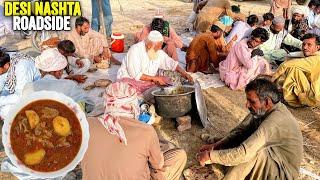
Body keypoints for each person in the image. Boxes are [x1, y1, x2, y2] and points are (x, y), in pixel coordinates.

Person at [197, 78, 303, 179]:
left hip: (283, 173)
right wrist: (216, 145)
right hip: (272, 157)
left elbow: (244, 153)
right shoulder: (263, 111)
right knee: (246, 136)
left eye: (252, 102)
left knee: (252, 153)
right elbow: (241, 131)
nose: (247, 105)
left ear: (267, 102)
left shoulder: (275, 120)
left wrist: (211, 156)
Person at [82, 82, 187, 180]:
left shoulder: (87, 125)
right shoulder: (146, 131)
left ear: (106, 103)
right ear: (133, 105)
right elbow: (158, 165)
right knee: (179, 156)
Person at [117, 31, 193, 94]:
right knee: (128, 92)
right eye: (157, 47)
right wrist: (155, 79)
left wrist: (185, 73)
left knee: (168, 84)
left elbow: (171, 63)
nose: (159, 49)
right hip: (130, 80)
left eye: (160, 47)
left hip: (148, 81)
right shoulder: (135, 50)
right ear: (149, 45)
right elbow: (135, 74)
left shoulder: (157, 51)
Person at [23, 48, 94, 113]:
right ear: (58, 71)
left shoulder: (28, 87)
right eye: (62, 70)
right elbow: (90, 104)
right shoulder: (69, 85)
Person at [272, 33, 320, 107]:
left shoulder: (315, 59)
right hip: (313, 95)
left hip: (314, 98)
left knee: (293, 68)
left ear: (317, 47)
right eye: (303, 44)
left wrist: (271, 80)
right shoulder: (316, 56)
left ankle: (292, 101)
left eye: (309, 45)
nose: (305, 47)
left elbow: (285, 65)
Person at [0, 49, 41, 120]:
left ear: (6, 66)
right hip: (16, 89)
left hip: (32, 90)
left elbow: (22, 96)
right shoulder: (6, 60)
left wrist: (1, 100)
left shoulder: (22, 67)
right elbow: (3, 82)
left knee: (6, 111)